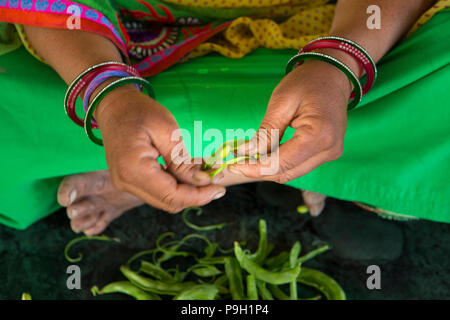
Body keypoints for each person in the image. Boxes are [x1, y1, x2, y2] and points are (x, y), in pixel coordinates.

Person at [0, 0, 448, 234]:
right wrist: (108, 93)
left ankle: (171, 167)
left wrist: (338, 63)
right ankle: (309, 157)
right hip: (109, 31)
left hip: (341, 23)